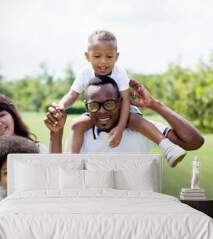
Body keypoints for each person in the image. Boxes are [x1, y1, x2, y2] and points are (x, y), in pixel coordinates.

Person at [50, 30, 186, 167]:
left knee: (135, 119)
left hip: (122, 110)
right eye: (97, 56)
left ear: (117, 56)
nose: (103, 62)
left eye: (109, 57)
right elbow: (72, 95)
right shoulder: (84, 73)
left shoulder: (119, 72)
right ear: (87, 56)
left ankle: (168, 147)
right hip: (97, 110)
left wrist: (120, 129)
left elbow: (126, 101)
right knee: (77, 125)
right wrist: (61, 106)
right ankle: (71, 163)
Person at [45, 76, 204, 156]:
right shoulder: (80, 131)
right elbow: (61, 173)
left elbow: (193, 142)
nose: (101, 111)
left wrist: (154, 104)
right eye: (94, 105)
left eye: (109, 104)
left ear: (122, 102)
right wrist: (56, 133)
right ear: (86, 106)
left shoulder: (143, 128)